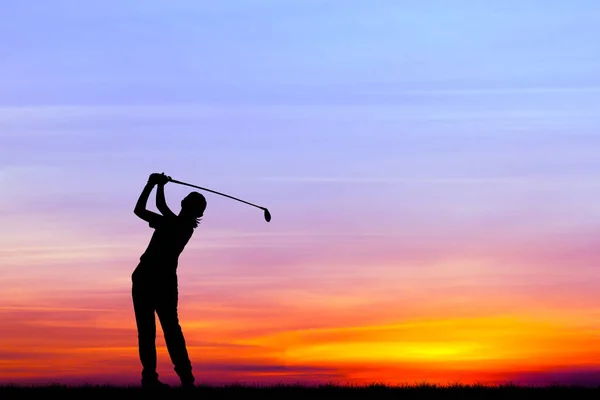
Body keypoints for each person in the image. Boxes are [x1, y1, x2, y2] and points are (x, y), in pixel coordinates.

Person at [131, 172, 207, 389]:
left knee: (169, 330)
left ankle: (184, 378)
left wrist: (156, 184)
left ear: (193, 210)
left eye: (191, 206)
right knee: (150, 331)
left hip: (158, 280)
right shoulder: (170, 222)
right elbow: (139, 210)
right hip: (146, 276)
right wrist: (152, 184)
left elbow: (160, 205)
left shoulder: (182, 226)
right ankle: (153, 379)